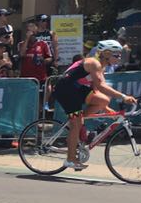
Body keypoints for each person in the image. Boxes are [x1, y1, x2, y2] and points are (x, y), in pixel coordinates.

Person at [52, 39, 136, 171]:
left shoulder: (101, 66)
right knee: (76, 124)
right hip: (65, 90)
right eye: (116, 55)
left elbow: (95, 89)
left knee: (104, 100)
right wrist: (123, 97)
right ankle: (70, 159)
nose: (119, 58)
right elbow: (101, 86)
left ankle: (78, 122)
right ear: (106, 53)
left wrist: (105, 107)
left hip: (76, 89)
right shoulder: (93, 63)